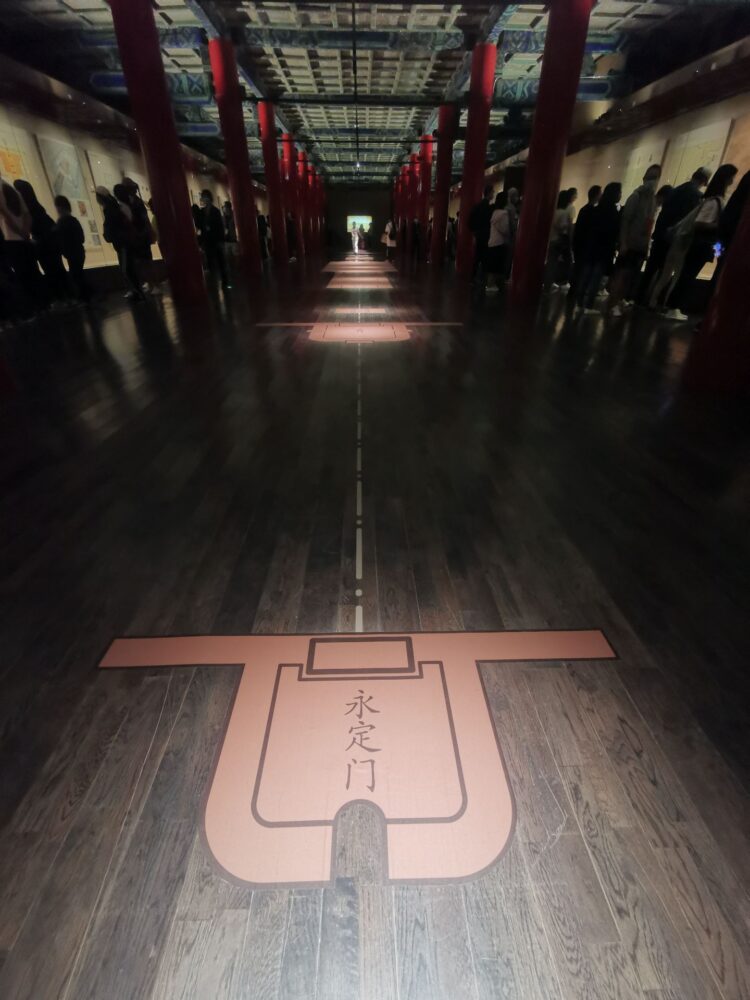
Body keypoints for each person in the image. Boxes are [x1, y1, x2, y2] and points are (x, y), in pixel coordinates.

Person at [665, 163, 738, 321]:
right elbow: (699, 222)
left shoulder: (712, 200)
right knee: (687, 275)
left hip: (701, 244)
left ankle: (673, 305)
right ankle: (673, 306)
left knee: (687, 274)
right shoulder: (714, 201)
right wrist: (719, 225)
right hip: (701, 244)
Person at [608, 163, 661, 316]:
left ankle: (617, 301)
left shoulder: (651, 200)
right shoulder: (636, 196)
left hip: (640, 245)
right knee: (622, 275)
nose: (653, 181)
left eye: (655, 177)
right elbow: (626, 220)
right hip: (630, 244)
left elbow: (648, 224)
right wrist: (623, 242)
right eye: (651, 177)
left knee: (629, 276)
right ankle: (613, 303)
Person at [14, 179, 68, 305]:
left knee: (52, 273)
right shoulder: (38, 209)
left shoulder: (28, 211)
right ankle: (68, 299)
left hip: (45, 247)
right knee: (58, 271)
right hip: (51, 246)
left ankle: (61, 300)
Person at [575, 182, 622, 313]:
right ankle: (589, 305)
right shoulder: (614, 213)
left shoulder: (595, 210)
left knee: (586, 274)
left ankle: (579, 302)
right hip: (604, 249)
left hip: (591, 247)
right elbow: (614, 232)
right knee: (596, 277)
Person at [0, 177, 42, 318]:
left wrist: (19, 232)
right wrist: (25, 233)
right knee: (33, 273)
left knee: (22, 277)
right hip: (24, 241)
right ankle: (41, 306)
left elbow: (6, 218)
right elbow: (27, 215)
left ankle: (30, 311)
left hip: (11, 240)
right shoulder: (13, 189)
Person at [97, 185, 143, 300]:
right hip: (124, 242)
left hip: (122, 243)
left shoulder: (110, 210)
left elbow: (113, 227)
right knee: (128, 267)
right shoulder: (116, 207)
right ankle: (136, 291)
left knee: (126, 268)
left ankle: (137, 292)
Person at [636, 183, 674, 305]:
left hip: (650, 242)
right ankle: (642, 299)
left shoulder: (657, 208)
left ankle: (638, 299)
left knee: (648, 272)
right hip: (645, 242)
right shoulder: (655, 208)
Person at [54, 195, 88, 301]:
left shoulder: (61, 222)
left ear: (59, 207)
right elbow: (81, 238)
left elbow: (59, 239)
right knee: (79, 275)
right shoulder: (73, 220)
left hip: (72, 253)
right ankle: (86, 298)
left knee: (76, 276)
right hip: (79, 251)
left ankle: (85, 297)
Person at [570, 185, 601, 299]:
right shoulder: (592, 211)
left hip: (579, 244)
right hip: (585, 246)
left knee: (578, 270)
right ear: (596, 195)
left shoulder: (584, 209)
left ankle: (573, 292)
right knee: (581, 271)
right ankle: (577, 293)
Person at [197, 189, 229, 289]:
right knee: (210, 263)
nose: (204, 199)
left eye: (205, 197)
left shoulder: (216, 211)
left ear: (210, 198)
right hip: (207, 241)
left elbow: (220, 227)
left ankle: (225, 283)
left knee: (221, 261)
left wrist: (221, 240)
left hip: (216, 240)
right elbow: (200, 226)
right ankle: (213, 283)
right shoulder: (201, 212)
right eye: (203, 197)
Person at [545, 189, 576, 290]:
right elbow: (562, 227)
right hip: (559, 240)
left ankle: (547, 285)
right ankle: (562, 282)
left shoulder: (554, 212)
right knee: (566, 262)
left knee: (551, 263)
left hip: (551, 239)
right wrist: (569, 226)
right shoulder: (564, 213)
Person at [468, 184, 494, 283]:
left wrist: (475, 231)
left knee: (477, 256)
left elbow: (470, 221)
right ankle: (482, 278)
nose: (493, 194)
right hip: (486, 235)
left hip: (479, 234)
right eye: (493, 192)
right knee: (484, 257)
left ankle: (473, 277)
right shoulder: (489, 208)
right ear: (489, 193)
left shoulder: (477, 206)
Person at [486, 192, 511, 290]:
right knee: (496, 266)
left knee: (491, 266)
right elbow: (505, 229)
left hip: (492, 241)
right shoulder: (504, 214)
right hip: (500, 242)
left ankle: (489, 284)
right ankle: (491, 285)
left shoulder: (495, 212)